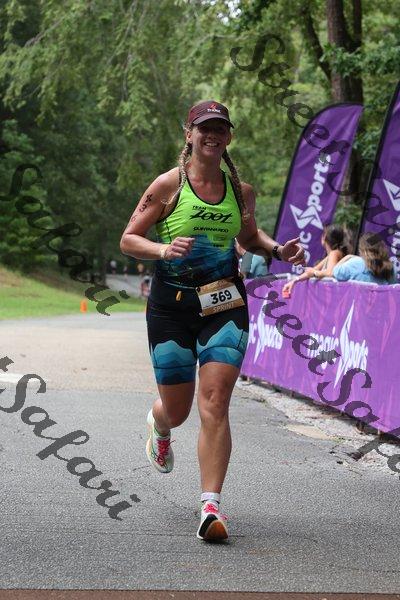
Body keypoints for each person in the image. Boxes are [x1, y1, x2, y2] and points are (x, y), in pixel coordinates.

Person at [120, 99, 305, 542]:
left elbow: (248, 235)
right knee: (179, 410)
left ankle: (210, 507)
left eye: (220, 128)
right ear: (189, 134)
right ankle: (160, 424)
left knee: (216, 401)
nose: (212, 135)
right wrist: (163, 250)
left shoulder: (241, 191)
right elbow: (129, 238)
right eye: (204, 128)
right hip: (171, 308)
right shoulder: (168, 185)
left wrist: (277, 249)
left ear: (228, 137)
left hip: (224, 304)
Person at [282, 224, 348, 297]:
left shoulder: (334, 253)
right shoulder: (332, 254)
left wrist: (314, 273)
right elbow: (313, 270)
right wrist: (294, 281)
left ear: (325, 237)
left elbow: (330, 272)